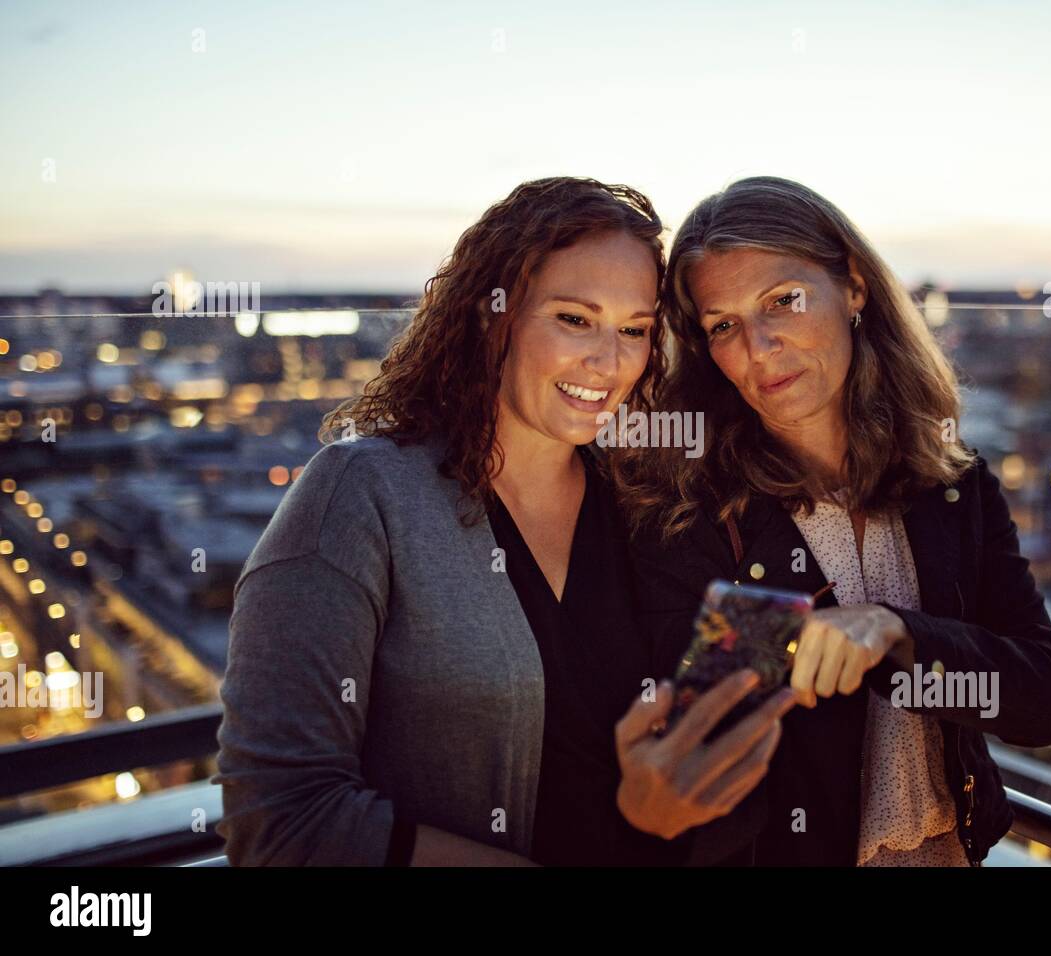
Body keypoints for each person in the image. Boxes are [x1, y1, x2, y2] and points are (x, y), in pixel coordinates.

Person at [214, 176, 795, 866]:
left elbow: (733, 724)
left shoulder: (648, 502)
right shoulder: (362, 494)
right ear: (493, 315)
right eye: (574, 319)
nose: (608, 363)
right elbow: (279, 819)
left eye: (634, 330)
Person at [617, 176, 1051, 866]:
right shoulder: (696, 516)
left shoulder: (950, 485)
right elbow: (707, 748)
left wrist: (896, 637)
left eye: (783, 300)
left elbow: (1047, 699)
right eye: (723, 324)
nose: (759, 344)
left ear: (856, 288)